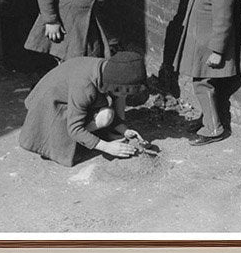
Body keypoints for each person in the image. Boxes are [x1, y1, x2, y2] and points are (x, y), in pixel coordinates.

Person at [171, 0, 239, 146]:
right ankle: (206, 118)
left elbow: (223, 23)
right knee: (200, 84)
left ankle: (213, 127)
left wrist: (217, 51)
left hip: (209, 49)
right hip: (199, 46)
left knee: (202, 85)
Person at [17, 50, 148, 167]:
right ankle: (71, 141)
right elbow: (74, 129)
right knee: (105, 116)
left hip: (70, 98)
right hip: (49, 110)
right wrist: (107, 147)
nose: (124, 97)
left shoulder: (107, 71)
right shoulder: (85, 86)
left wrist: (125, 130)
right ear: (115, 86)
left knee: (107, 114)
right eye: (124, 92)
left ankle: (90, 137)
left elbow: (108, 100)